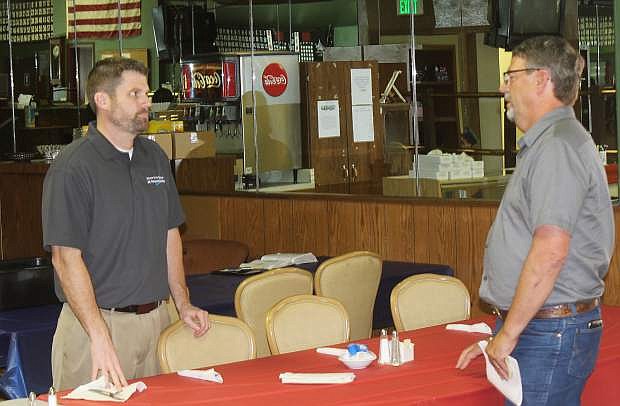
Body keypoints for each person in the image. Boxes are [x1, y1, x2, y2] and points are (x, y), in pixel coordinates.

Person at [456, 35, 614, 405]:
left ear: (541, 79)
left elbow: (551, 251)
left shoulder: (557, 146)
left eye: (511, 75)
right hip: (541, 326)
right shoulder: (550, 142)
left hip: (547, 332)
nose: (502, 86)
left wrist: (508, 335)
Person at [42, 57, 210, 391]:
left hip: (157, 322)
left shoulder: (155, 157)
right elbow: (65, 258)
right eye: (134, 94)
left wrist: (182, 303)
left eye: (145, 93)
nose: (146, 102)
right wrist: (99, 334)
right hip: (97, 328)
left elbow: (170, 234)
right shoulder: (73, 168)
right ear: (102, 101)